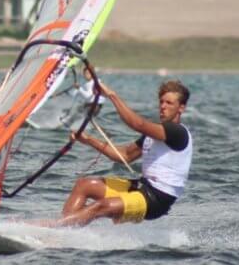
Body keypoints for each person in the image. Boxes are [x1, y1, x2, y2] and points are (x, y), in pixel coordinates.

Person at [58, 78, 192, 227]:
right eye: (161, 102)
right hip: (142, 188)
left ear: (181, 108)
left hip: (156, 200)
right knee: (84, 185)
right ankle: (64, 233)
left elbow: (138, 124)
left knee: (102, 206)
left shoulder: (177, 132)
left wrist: (111, 95)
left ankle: (55, 227)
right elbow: (124, 156)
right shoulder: (155, 134)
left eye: (169, 103)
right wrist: (88, 140)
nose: (162, 107)